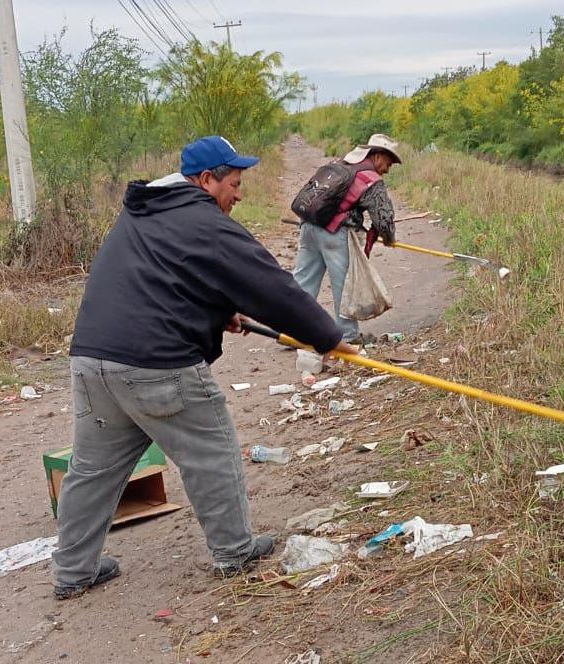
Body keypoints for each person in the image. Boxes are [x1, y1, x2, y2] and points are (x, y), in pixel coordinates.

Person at [52, 135, 359, 599]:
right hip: (156, 364)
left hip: (92, 360)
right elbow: (267, 284)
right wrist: (329, 337)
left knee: (92, 470)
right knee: (212, 452)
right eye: (233, 183)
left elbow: (163, 277)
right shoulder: (203, 221)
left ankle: (73, 571)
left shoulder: (143, 212)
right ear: (204, 180)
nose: (239, 194)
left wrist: (218, 313)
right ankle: (234, 551)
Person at [292, 133, 402, 345]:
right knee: (343, 284)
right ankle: (348, 335)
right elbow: (383, 218)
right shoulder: (371, 179)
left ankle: (293, 332)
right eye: (388, 163)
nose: (387, 169)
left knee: (304, 280)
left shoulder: (340, 165)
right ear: (377, 156)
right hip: (334, 233)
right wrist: (389, 238)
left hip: (308, 226)